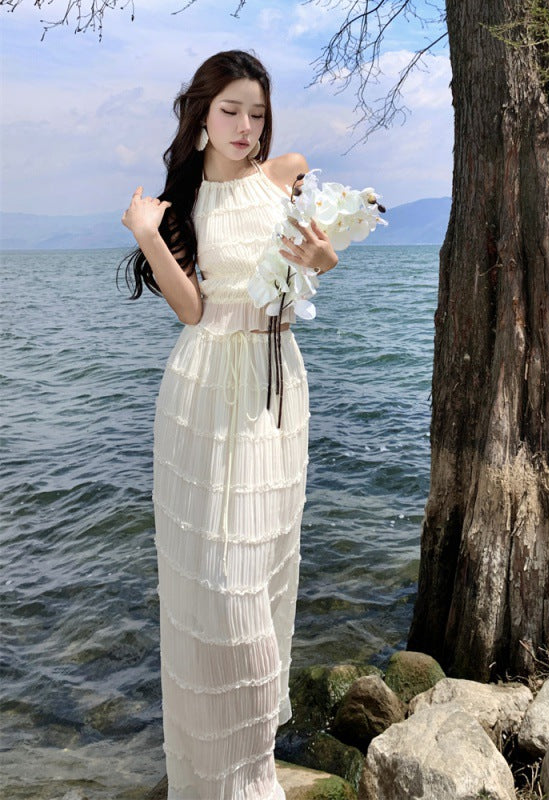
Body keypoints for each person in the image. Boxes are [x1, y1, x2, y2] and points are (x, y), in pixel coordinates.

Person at [120, 49, 337, 799]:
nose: (247, 126)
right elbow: (191, 309)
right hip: (204, 388)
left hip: (275, 389)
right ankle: (216, 779)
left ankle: (253, 771)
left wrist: (323, 259)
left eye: (257, 113)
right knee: (215, 581)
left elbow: (313, 264)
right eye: (231, 111)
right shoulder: (180, 205)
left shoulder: (287, 174)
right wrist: (148, 234)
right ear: (202, 115)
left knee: (261, 570)